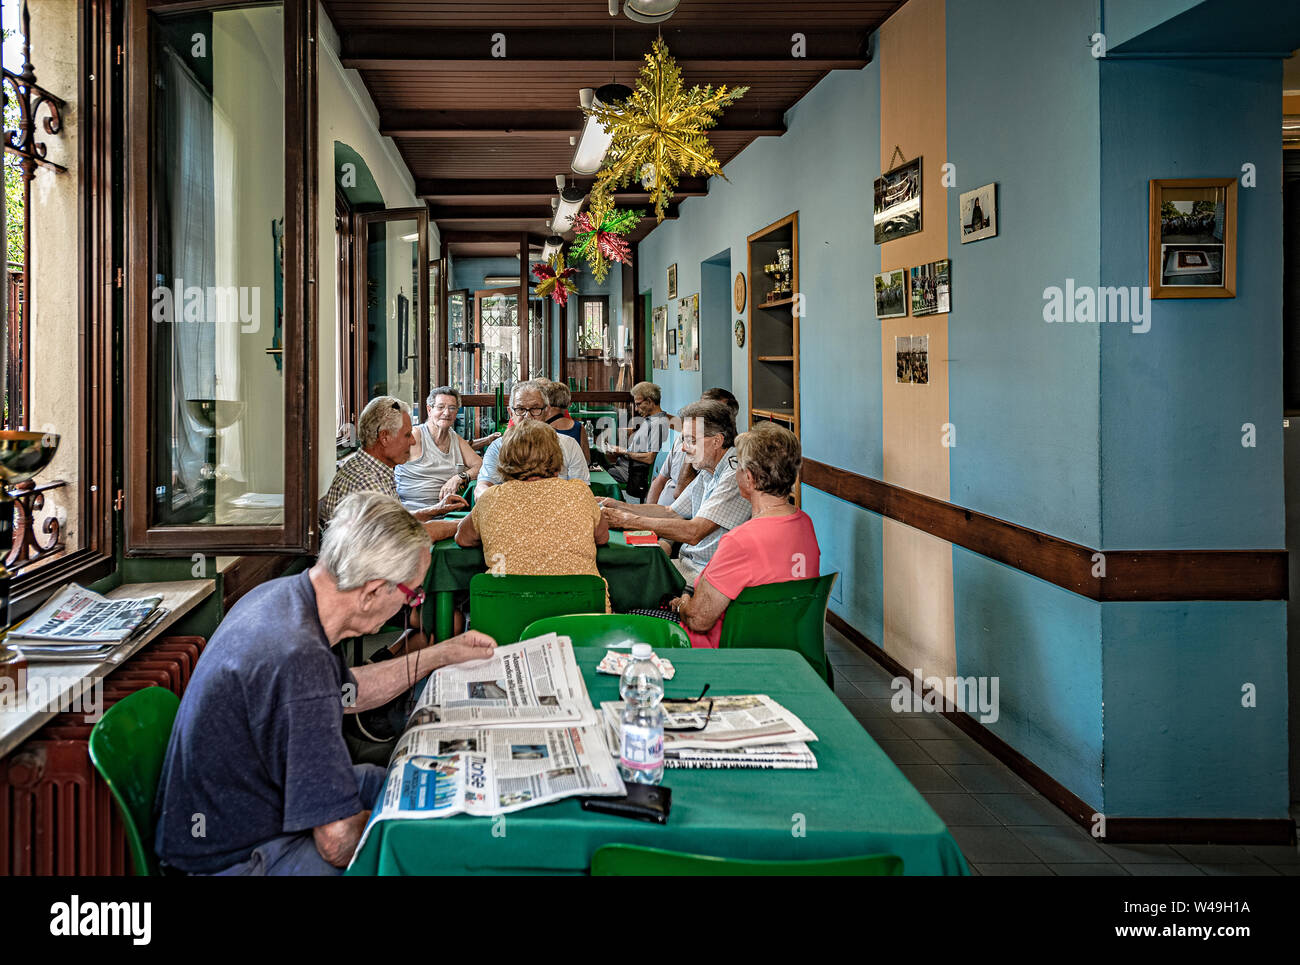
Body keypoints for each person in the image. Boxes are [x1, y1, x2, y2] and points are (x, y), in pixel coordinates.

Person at [154, 492, 496, 875]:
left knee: (398, 779)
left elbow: (348, 692)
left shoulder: (288, 598)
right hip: (232, 856)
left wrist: (441, 654)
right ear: (371, 592)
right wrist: (400, 830)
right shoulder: (299, 658)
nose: (411, 606)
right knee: (426, 848)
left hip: (242, 809)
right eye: (413, 595)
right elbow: (336, 844)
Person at [669, 422, 819, 647]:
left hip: (726, 650)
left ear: (749, 478)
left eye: (736, 464)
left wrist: (682, 604)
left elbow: (698, 619)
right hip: (785, 644)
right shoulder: (805, 524)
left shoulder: (741, 541)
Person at [456, 420, 610, 611]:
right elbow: (603, 537)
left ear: (505, 457)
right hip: (578, 615)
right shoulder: (579, 492)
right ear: (555, 456)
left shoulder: (491, 498)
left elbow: (462, 537)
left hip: (506, 613)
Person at [600, 399, 751, 585]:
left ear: (717, 441)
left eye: (691, 440)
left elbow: (695, 531)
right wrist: (616, 504)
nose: (683, 448)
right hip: (690, 565)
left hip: (705, 575)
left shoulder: (734, 474)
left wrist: (625, 519)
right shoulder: (708, 470)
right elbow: (671, 512)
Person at [320, 396, 466, 540]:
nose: (413, 441)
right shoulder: (365, 481)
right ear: (384, 438)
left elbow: (394, 521)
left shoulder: (376, 469)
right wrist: (464, 524)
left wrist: (437, 509)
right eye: (407, 435)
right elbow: (402, 536)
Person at [475, 380, 589, 498]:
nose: (528, 416)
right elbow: (481, 489)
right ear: (510, 413)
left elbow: (581, 492)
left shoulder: (569, 445)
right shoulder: (498, 447)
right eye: (520, 409)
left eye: (535, 409)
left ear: (546, 411)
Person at [395, 386, 483, 509]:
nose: (447, 413)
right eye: (440, 407)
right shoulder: (415, 436)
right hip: (412, 513)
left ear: (457, 412)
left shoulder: (455, 439)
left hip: (445, 512)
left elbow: (480, 466)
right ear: (429, 410)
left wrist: (458, 478)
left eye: (452, 408)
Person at [646, 388, 734, 506]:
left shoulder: (715, 463)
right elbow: (660, 480)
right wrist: (649, 513)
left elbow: (679, 494)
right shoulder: (682, 440)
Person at [603, 381, 671, 487]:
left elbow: (649, 458)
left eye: (638, 404)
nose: (636, 409)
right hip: (623, 467)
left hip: (629, 473)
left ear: (649, 401)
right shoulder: (650, 420)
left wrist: (624, 452)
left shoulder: (657, 424)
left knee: (593, 476)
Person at [541, 380, 591, 464]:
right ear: (569, 403)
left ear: (546, 401)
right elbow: (586, 460)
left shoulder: (540, 427)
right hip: (573, 475)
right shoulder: (578, 427)